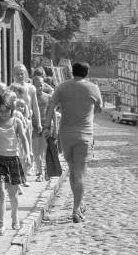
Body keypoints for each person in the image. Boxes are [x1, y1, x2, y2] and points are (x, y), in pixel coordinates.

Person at [43, 62, 102, 223]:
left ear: (72, 72)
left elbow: (51, 106)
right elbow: (99, 109)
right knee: (80, 174)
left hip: (66, 135)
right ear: (86, 73)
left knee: (72, 171)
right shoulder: (93, 88)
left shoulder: (62, 87)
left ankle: (79, 203)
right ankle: (76, 210)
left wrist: (47, 126)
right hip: (85, 136)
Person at [0, 92, 32, 235]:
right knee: (0, 191)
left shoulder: (16, 122)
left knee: (13, 194)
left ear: (11, 109)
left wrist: (28, 154)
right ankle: (1, 223)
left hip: (12, 159)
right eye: (0, 111)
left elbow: (24, 139)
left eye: (6, 110)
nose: (3, 114)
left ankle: (14, 215)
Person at [32, 75, 56, 181]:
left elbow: (53, 113)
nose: (39, 87)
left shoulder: (48, 97)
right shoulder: (31, 97)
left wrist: (55, 127)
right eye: (36, 85)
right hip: (35, 126)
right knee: (37, 151)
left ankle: (46, 170)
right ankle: (40, 173)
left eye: (40, 85)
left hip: (46, 126)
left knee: (46, 150)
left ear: (43, 85)